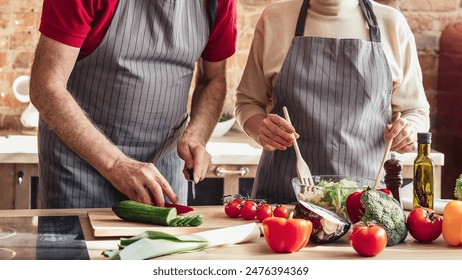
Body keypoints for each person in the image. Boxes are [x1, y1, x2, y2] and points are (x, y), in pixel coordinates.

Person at [29, 0, 237, 208]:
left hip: (164, 170)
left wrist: (196, 135)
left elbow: (213, 79)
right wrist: (116, 165)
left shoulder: (218, 3)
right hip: (80, 170)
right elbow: (46, 87)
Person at [234, 0, 430, 203]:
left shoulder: (392, 23)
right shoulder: (274, 19)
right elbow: (247, 101)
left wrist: (409, 131)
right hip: (284, 200)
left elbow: (416, 110)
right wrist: (261, 130)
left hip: (367, 203)